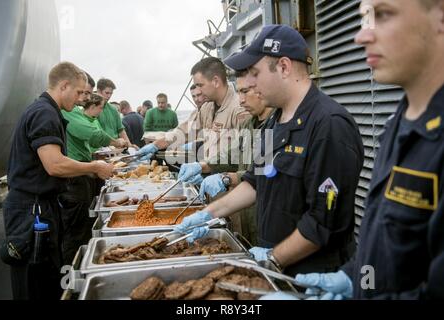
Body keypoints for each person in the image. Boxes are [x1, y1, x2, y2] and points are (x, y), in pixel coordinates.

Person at [267, 0, 444, 300]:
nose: (361, 36)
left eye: (383, 14)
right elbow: (385, 250)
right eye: (364, 18)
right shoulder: (396, 125)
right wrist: (355, 279)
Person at [174, 25, 364, 277]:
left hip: (313, 273)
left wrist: (273, 259)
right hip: (277, 264)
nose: (249, 84)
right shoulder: (274, 122)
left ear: (284, 67)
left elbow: (322, 222)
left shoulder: (329, 125)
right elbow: (255, 182)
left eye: (255, 73)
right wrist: (207, 214)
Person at [0, 62, 114, 300]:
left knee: (48, 277)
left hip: (39, 205)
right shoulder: (44, 113)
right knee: (34, 283)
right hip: (32, 211)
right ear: (64, 86)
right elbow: (55, 164)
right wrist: (94, 167)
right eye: (80, 92)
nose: (83, 99)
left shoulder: (45, 109)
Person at [137, 57, 251, 181]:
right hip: (208, 176)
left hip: (228, 186)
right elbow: (184, 132)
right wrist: (155, 145)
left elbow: (246, 157)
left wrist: (225, 179)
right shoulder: (207, 107)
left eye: (200, 85)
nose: (198, 91)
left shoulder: (239, 109)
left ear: (216, 81)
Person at [198, 70, 274, 245]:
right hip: (247, 211)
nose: (240, 100)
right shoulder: (250, 123)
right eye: (239, 92)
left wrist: (227, 178)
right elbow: (235, 153)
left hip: (267, 213)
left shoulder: (277, 124)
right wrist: (203, 166)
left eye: (245, 91)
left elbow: (265, 173)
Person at [60, 93, 126, 264]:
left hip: (82, 173)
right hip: (74, 178)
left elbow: (93, 140)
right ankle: (73, 270)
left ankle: (80, 262)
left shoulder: (76, 111)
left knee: (81, 227)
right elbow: (93, 135)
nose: (84, 98)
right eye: (83, 92)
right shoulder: (70, 112)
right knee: (76, 230)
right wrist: (115, 144)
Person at [96, 78, 133, 146]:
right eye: (107, 93)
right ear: (98, 91)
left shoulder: (113, 109)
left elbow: (121, 130)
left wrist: (130, 146)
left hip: (115, 149)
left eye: (111, 93)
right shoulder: (90, 108)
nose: (109, 96)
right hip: (99, 149)